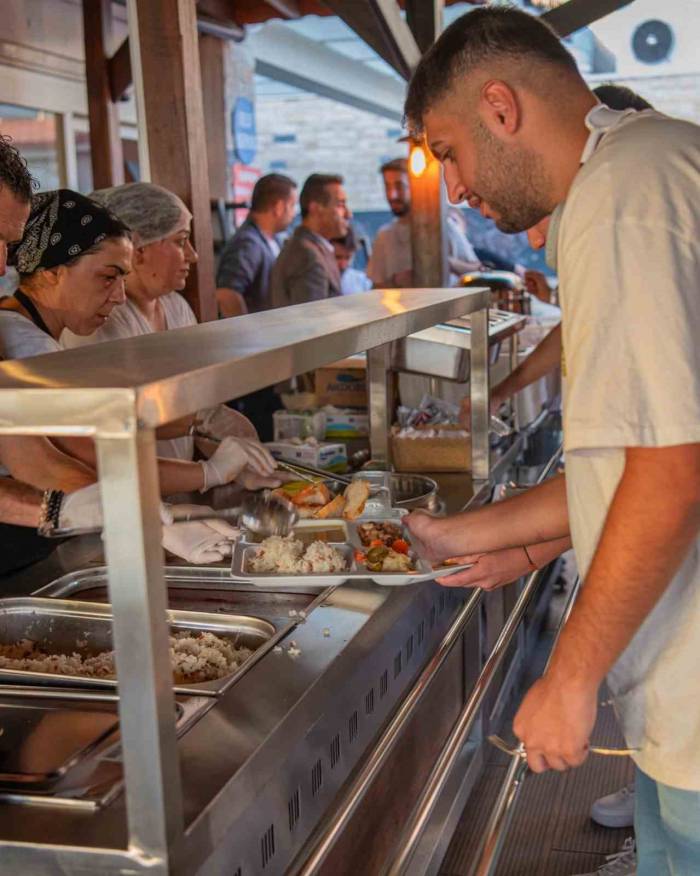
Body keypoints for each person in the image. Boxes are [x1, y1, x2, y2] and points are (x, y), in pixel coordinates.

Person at [403, 8, 700, 876]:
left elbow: (671, 472)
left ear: (500, 108)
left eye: (448, 151)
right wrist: (475, 536)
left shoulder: (622, 200)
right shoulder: (647, 165)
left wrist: (570, 676)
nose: (454, 186)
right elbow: (630, 465)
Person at [0, 189, 277, 499]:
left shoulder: (28, 333)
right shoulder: (31, 350)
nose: (120, 296)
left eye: (123, 278)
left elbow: (112, 421)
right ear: (53, 272)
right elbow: (94, 456)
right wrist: (208, 472)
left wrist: (200, 421)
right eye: (108, 277)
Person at [461, 84, 654, 424]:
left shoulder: (643, 235)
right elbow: (577, 324)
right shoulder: (599, 232)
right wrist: (503, 391)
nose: (536, 241)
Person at [366, 157, 482, 288]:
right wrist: (396, 281)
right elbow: (374, 287)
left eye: (400, 186)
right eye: (387, 187)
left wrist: (449, 263)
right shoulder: (384, 236)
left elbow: (478, 271)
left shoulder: (445, 227)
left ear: (415, 187)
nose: (392, 195)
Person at [216, 173, 297, 317]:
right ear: (279, 207)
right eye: (292, 205)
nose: (294, 213)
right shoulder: (248, 244)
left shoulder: (271, 239)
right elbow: (226, 294)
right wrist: (247, 329)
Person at [269, 173, 350, 307]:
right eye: (340, 205)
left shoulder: (311, 248)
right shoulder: (306, 255)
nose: (348, 214)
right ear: (315, 208)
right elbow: (312, 318)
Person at [331, 225, 372, 295]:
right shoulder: (316, 281)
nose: (343, 265)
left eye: (348, 258)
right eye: (338, 257)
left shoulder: (362, 281)